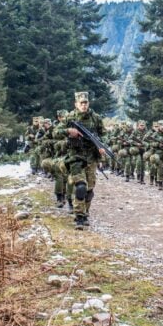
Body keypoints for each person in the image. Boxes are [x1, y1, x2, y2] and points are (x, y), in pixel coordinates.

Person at [56, 91, 106, 230]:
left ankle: (85, 212)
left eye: (86, 103)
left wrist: (101, 147)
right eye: (81, 103)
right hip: (75, 157)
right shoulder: (70, 117)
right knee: (81, 187)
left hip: (91, 157)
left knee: (89, 190)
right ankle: (79, 216)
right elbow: (56, 132)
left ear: (88, 103)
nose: (84, 105)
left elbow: (104, 135)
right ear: (76, 104)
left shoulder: (95, 118)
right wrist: (68, 131)